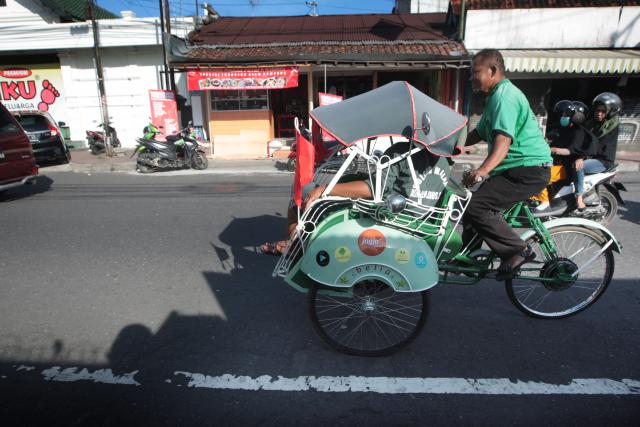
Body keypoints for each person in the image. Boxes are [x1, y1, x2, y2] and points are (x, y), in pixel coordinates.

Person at [260, 141, 451, 255]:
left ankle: (297, 245)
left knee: (297, 205)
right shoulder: (444, 160)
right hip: (419, 219)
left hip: (390, 216)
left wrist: (326, 189)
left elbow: (373, 190)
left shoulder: (402, 151)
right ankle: (297, 242)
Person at [462, 49, 552, 280]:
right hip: (516, 169)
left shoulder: (505, 96)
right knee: (470, 206)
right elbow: (479, 133)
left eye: (476, 73)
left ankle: (518, 250)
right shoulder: (494, 98)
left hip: (528, 169)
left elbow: (503, 140)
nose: (472, 78)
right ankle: (467, 256)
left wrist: (482, 170)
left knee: (478, 207)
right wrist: (449, 146)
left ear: (492, 71)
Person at [541, 100, 596, 213]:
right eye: (562, 114)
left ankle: (544, 203)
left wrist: (553, 150)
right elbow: (550, 139)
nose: (562, 117)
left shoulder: (579, 132)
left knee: (541, 176)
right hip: (558, 162)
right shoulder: (563, 129)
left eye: (565, 115)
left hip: (567, 167)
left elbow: (570, 150)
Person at [575, 92, 622, 202]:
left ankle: (579, 197)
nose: (599, 113)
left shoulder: (610, 127)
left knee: (578, 166)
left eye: (603, 111)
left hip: (603, 161)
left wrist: (581, 157)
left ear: (610, 112)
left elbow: (595, 145)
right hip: (592, 157)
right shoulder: (592, 123)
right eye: (597, 110)